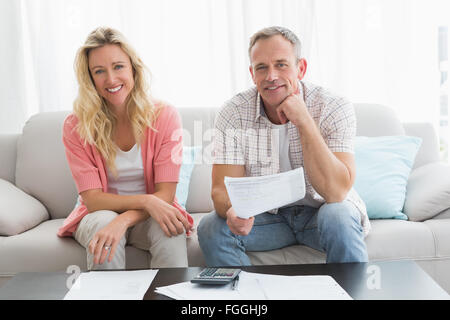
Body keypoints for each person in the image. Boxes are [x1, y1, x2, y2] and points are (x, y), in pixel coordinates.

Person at [198, 26, 370, 267]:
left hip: (321, 215)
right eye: (262, 67)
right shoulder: (234, 112)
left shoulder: (333, 106)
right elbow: (220, 191)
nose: (271, 76)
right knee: (211, 226)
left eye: (281, 64)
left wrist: (305, 121)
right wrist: (233, 210)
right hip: (267, 219)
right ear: (252, 73)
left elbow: (337, 192)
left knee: (339, 214)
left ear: (301, 68)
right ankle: (249, 299)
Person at [57, 27, 193, 270]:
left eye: (118, 66)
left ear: (133, 68)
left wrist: (126, 219)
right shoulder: (76, 125)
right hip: (99, 214)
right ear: (90, 79)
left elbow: (165, 196)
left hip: (148, 215)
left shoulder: (164, 116)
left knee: (169, 228)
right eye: (99, 71)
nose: (111, 79)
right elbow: (93, 199)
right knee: (103, 222)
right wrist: (147, 202)